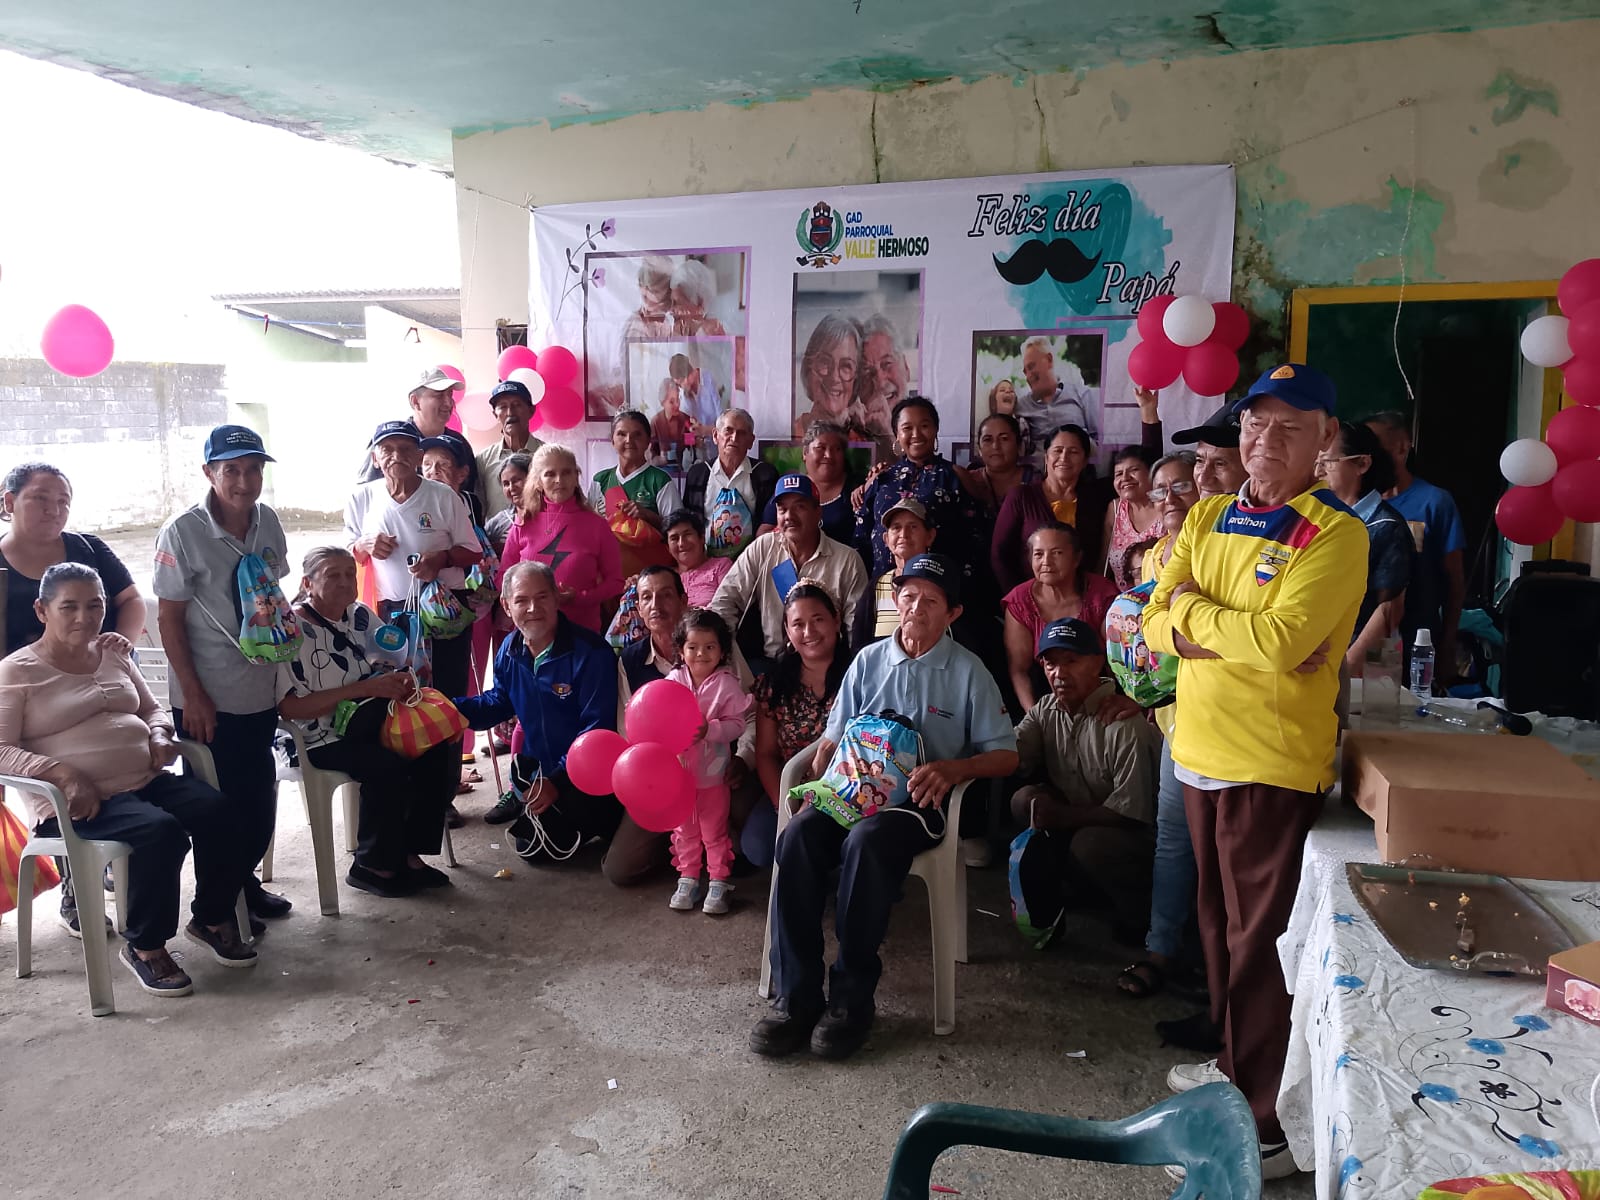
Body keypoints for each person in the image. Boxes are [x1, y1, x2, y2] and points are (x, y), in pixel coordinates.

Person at [1143, 363, 1367, 1180]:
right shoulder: (1207, 514)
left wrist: (1192, 618)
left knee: (1261, 945)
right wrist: (1199, 622)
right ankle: (1236, 1069)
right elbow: (1149, 620)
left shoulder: (1336, 534)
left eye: (1289, 427)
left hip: (1268, 766)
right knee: (1216, 929)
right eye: (1255, 423)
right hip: (1196, 749)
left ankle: (1264, 1125)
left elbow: (1283, 643)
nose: (1265, 439)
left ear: (1324, 439)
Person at [751, 553, 1018, 1061]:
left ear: (952, 613)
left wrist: (955, 769)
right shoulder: (869, 660)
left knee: (867, 842)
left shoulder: (968, 671)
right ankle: (796, 997)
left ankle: (851, 1001)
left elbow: (1006, 754)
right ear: (896, 600)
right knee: (798, 837)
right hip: (851, 794)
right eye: (909, 596)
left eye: (931, 601)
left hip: (917, 804)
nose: (917, 607)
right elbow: (833, 737)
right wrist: (818, 779)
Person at [0, 563, 259, 993]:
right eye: (69, 607)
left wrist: (159, 734)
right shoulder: (17, 671)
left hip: (145, 780)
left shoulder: (113, 653)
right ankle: (145, 946)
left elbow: (152, 709)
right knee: (161, 832)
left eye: (95, 605)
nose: (85, 617)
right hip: (80, 803)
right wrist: (62, 773)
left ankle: (211, 917)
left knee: (222, 812)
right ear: (42, 610)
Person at [153, 423, 293, 926]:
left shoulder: (266, 521)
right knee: (218, 808)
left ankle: (242, 887)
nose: (244, 481)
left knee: (258, 802)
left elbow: (273, 594)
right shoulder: (183, 532)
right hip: (207, 696)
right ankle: (212, 914)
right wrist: (193, 695)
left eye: (253, 469)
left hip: (258, 687)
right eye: (231, 470)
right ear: (209, 473)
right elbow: (169, 618)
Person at [276, 547, 457, 898]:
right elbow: (290, 708)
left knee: (433, 744)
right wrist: (364, 688)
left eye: (349, 573)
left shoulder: (359, 615)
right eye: (333, 575)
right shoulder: (293, 630)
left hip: (366, 721)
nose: (345, 582)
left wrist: (399, 679)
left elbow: (387, 659)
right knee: (386, 766)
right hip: (316, 737)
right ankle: (372, 865)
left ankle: (409, 854)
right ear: (307, 583)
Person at [1010, 617, 1161, 945]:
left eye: (1071, 661)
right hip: (1082, 820)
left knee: (1091, 843)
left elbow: (1131, 813)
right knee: (1024, 800)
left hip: (1138, 837)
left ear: (1097, 664)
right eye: (1050, 664)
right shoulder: (1046, 709)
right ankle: (1079, 888)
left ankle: (1140, 916)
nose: (1059, 673)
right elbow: (1011, 754)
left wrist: (1062, 817)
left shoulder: (1123, 722)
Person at [456, 562, 622, 858]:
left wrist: (557, 782)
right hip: (542, 775)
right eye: (521, 600)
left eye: (542, 597)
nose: (533, 608)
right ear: (506, 606)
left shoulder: (591, 652)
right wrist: (450, 711)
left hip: (588, 775)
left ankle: (609, 818)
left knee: (550, 844)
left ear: (557, 597)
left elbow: (597, 731)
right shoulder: (510, 649)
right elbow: (499, 701)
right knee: (530, 846)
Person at [345, 421, 481, 779]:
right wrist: (364, 545)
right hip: (389, 614)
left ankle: (444, 788)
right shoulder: (361, 498)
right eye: (387, 450)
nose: (396, 456)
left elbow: (473, 551)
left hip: (442, 612)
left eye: (406, 449)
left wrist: (441, 559)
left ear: (419, 456)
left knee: (446, 697)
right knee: (399, 697)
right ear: (375, 458)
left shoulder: (443, 496)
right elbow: (347, 554)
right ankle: (405, 784)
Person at [1117, 453, 1203, 1004]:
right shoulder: (1151, 558)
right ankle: (1162, 949)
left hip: (1222, 717)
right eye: (1161, 489)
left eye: (1182, 486)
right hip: (1175, 719)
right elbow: (1145, 637)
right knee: (1173, 840)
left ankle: (1215, 964)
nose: (1170, 498)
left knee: (1216, 848)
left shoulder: (1219, 548)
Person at [613, 566, 756, 885]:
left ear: (683, 600)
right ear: (638, 608)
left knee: (748, 843)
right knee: (621, 868)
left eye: (665, 595)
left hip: (720, 768)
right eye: (646, 597)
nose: (655, 605)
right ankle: (685, 851)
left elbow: (749, 713)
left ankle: (715, 854)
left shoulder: (717, 647)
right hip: (664, 776)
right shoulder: (630, 661)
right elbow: (628, 731)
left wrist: (743, 758)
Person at [745, 582, 851, 869]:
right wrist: (784, 805)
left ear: (836, 620)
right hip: (793, 787)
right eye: (798, 624)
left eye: (818, 620)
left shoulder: (859, 673)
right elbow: (766, 753)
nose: (809, 632)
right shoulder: (774, 684)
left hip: (849, 789)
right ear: (787, 631)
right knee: (758, 846)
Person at [709, 475, 867, 665]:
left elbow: (857, 633)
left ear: (818, 512)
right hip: (773, 665)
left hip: (828, 666)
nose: (789, 516)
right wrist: (728, 660)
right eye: (782, 509)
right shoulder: (763, 548)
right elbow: (724, 602)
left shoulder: (847, 561)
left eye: (799, 507)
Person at [1366, 411, 1466, 686]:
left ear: (1401, 448)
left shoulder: (1434, 502)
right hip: (1364, 636)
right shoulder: (1359, 504)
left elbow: (1455, 582)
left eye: (1376, 446)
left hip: (1417, 640)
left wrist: (1447, 645)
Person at [1, 463, 143, 655]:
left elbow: (131, 599)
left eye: (63, 501)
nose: (54, 510)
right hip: (19, 672)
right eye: (40, 498)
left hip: (101, 667)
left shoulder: (90, 549)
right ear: (9, 502)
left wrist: (118, 649)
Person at [665, 609, 751, 915]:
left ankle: (718, 881)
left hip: (714, 777)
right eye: (693, 647)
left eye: (709, 647)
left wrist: (710, 730)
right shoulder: (672, 681)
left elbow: (737, 725)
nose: (700, 653)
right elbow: (656, 718)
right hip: (679, 778)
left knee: (714, 832)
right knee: (684, 831)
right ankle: (688, 878)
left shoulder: (727, 685)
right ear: (681, 651)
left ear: (722, 651)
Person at [1319, 422, 1414, 674]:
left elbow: (1389, 609)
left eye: (1327, 461)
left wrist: (1348, 668)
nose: (1318, 471)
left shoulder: (1385, 527)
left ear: (1362, 464)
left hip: (1358, 666)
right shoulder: (1321, 518)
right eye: (1315, 462)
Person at [499, 444, 622, 634]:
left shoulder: (597, 525)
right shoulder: (523, 524)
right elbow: (504, 578)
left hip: (581, 633)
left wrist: (580, 598)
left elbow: (615, 582)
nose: (559, 480)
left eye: (566, 472)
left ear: (576, 477)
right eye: (550, 474)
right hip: (532, 635)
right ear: (538, 481)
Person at [854, 397, 977, 580]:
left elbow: (974, 539)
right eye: (907, 428)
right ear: (897, 434)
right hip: (884, 586)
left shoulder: (954, 477)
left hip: (938, 586)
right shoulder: (881, 479)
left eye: (924, 426)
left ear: (936, 430)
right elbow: (861, 538)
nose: (916, 434)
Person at [1002, 523, 1118, 712]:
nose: (1046, 562)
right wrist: (1036, 716)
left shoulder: (1102, 594)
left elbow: (1118, 661)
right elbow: (1019, 671)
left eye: (1057, 553)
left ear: (1077, 558)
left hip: (1102, 692)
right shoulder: (1020, 602)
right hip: (1047, 696)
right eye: (1038, 554)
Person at [991, 424, 1113, 594]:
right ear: (1046, 457)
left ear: (1085, 461)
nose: (1064, 457)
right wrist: (1018, 599)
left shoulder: (1096, 499)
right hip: (1030, 598)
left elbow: (1144, 470)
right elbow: (1000, 554)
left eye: (1073, 452)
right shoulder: (1022, 496)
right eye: (1058, 450)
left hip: (1083, 599)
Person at [589, 410, 682, 578]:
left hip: (649, 576)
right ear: (612, 440)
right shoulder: (600, 480)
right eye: (621, 434)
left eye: (637, 435)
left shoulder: (660, 480)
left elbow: (678, 531)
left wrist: (647, 515)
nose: (628, 440)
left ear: (648, 441)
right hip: (607, 574)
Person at [680, 409, 777, 559]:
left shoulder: (765, 474)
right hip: (706, 561)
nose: (734, 438)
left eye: (742, 433)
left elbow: (769, 524)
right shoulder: (698, 474)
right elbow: (688, 522)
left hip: (751, 561)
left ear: (751, 441)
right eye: (728, 431)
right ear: (715, 436)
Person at [855, 497, 937, 647]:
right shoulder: (876, 588)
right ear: (886, 539)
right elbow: (860, 645)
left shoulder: (941, 584)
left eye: (913, 527)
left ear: (929, 536)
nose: (904, 534)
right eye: (896, 528)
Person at [756, 421, 855, 545]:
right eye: (821, 448)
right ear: (805, 453)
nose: (829, 455)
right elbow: (763, 535)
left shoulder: (858, 489)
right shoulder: (790, 487)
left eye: (837, 449)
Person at [356, 367, 459, 484]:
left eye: (450, 394)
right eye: (439, 395)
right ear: (415, 401)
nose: (448, 403)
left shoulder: (459, 443)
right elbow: (365, 489)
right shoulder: (389, 440)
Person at [793, 314, 882, 444]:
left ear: (856, 377)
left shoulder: (865, 439)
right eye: (824, 362)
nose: (834, 377)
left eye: (846, 366)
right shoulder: (789, 435)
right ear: (808, 368)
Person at [1015, 338, 1099, 469]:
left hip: (1078, 472)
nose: (1028, 375)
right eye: (1025, 371)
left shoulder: (1080, 394)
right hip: (1039, 474)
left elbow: (1098, 442)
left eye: (1031, 367)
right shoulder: (1021, 405)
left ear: (1049, 360)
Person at [474, 380, 544, 521]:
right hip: (496, 534)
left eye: (517, 405)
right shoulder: (483, 460)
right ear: (495, 414)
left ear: (531, 411)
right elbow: (478, 509)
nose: (510, 413)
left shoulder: (547, 456)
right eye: (503, 407)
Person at [1103, 447, 1161, 591]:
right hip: (1124, 601)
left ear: (1152, 473)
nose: (1125, 478)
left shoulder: (1167, 506)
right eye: (1118, 474)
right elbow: (1103, 563)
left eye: (1134, 470)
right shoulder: (1115, 509)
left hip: (1164, 597)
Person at [956, 413, 1033, 516]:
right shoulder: (965, 481)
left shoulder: (1038, 483)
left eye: (1004, 438)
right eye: (987, 439)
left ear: (1019, 445)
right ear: (979, 449)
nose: (995, 446)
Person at [664, 510, 732, 607]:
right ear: (668, 548)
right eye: (674, 538)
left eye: (687, 534)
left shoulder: (721, 566)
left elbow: (729, 605)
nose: (681, 543)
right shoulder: (665, 577)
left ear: (702, 538)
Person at [858, 315, 911, 438]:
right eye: (867, 371)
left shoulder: (927, 420)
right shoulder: (853, 430)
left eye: (887, 364)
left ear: (906, 368)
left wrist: (886, 435)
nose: (880, 382)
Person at [421, 430, 485, 527]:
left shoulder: (471, 502)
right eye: (427, 464)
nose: (433, 470)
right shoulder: (417, 505)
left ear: (462, 474)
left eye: (443, 464)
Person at [483, 453, 532, 557]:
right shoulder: (498, 522)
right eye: (506, 484)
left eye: (516, 480)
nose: (511, 488)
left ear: (532, 478)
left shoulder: (549, 516)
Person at [669, 353, 725, 444]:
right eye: (678, 385)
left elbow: (723, 422)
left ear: (685, 378)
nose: (681, 387)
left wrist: (704, 431)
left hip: (719, 442)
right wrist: (693, 441)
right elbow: (687, 429)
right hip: (702, 447)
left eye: (680, 383)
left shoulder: (707, 379)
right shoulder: (684, 395)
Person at [669, 258, 727, 336]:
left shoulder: (714, 333)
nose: (671, 310)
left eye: (677, 303)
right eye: (671, 301)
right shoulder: (672, 332)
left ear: (700, 303)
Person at [651, 380, 689, 458]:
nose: (677, 404)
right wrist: (659, 460)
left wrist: (698, 441)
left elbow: (691, 446)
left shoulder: (686, 420)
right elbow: (652, 453)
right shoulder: (656, 422)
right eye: (671, 402)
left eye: (678, 399)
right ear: (663, 403)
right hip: (662, 465)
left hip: (683, 465)